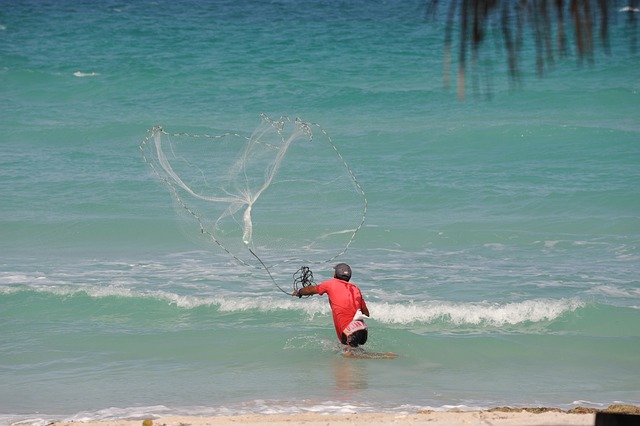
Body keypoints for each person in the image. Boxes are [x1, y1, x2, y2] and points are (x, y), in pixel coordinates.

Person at [292, 263, 370, 348]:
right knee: (350, 353)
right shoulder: (356, 289)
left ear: (335, 274)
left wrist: (299, 292)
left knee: (349, 356)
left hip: (350, 330)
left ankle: (382, 356)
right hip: (362, 328)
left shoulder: (331, 284)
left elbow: (311, 290)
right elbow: (366, 314)